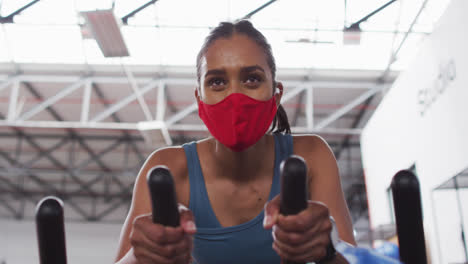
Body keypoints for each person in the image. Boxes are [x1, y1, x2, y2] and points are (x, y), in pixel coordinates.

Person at [115, 20, 356, 264]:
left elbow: (352, 257)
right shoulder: (168, 168)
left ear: (276, 93)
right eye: (217, 82)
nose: (235, 97)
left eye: (252, 79)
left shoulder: (311, 156)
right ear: (199, 97)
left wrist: (327, 248)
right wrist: (140, 255)